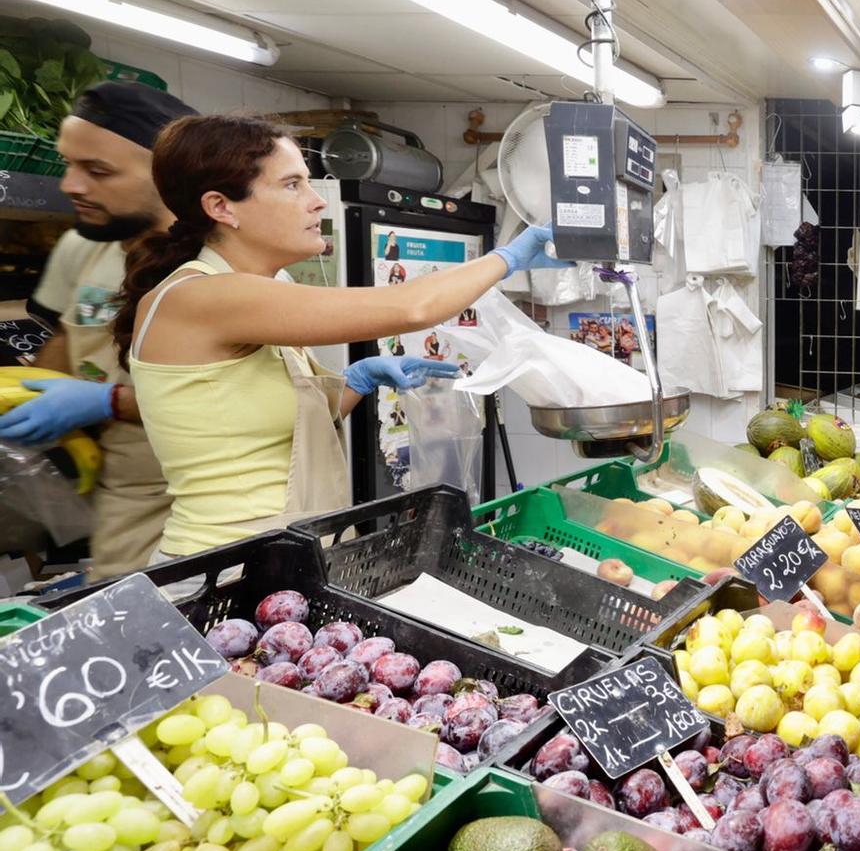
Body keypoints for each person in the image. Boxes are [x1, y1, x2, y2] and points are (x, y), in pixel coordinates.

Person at [114, 114, 569, 560]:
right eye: (292, 185)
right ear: (221, 207)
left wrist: (356, 383)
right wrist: (507, 258)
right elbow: (412, 307)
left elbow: (276, 435)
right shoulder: (200, 296)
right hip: (227, 565)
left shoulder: (274, 287)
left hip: (297, 550)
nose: (317, 201)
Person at [1, 82, 196, 577]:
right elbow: (67, 339)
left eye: (97, 170)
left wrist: (106, 402)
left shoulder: (226, 269)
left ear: (165, 176)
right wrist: (27, 413)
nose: (70, 184)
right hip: (118, 494)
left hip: (200, 506)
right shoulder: (84, 245)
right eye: (68, 163)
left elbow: (248, 405)